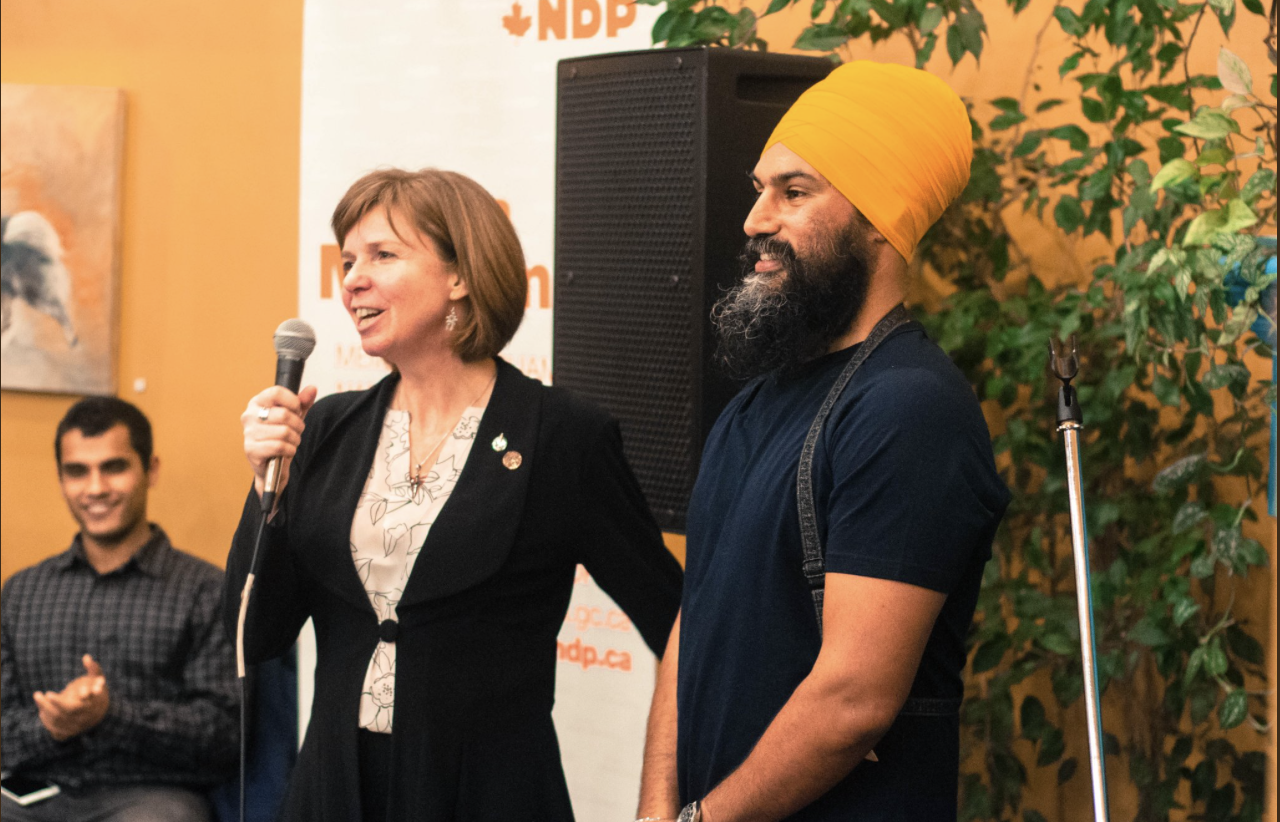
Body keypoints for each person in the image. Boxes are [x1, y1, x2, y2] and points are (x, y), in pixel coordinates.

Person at [225, 167, 683, 821]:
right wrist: (264, 484)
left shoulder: (561, 437)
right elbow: (252, 636)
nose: (352, 277)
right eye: (349, 259)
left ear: (460, 275)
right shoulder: (325, 428)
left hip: (486, 795)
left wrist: (663, 802)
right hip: (334, 792)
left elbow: (680, 621)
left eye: (383, 255)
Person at [637, 62, 1012, 822]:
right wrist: (660, 811)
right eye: (758, 188)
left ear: (880, 217)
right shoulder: (752, 408)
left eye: (794, 192)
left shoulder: (908, 409)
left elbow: (854, 700)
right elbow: (694, 625)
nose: (755, 220)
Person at [1, 397, 238, 822]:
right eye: (77, 471)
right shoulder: (21, 593)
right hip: (30, 794)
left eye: (114, 467)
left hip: (150, 798)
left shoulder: (205, 590)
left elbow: (222, 739)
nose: (95, 488)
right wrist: (52, 725)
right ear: (60, 480)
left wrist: (112, 715)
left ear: (151, 470)